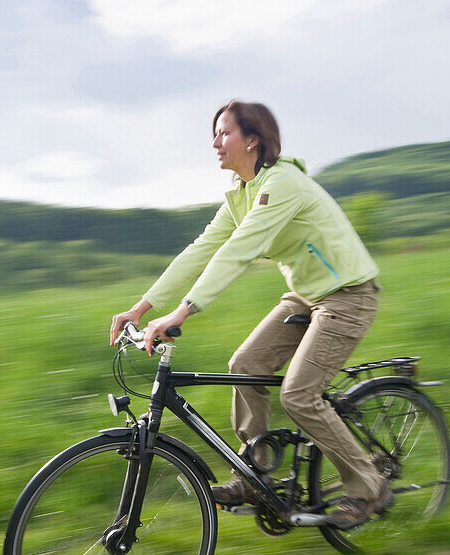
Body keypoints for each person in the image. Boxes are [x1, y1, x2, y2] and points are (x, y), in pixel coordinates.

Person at [108, 100, 390, 530]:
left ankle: (369, 488)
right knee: (245, 366)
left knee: (298, 395)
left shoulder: (283, 184)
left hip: (348, 295)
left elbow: (236, 254)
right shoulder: (240, 195)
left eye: (225, 133)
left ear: (253, 139)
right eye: (214, 135)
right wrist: (142, 307)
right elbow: (200, 252)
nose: (216, 143)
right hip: (306, 295)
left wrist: (182, 313)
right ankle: (255, 475)